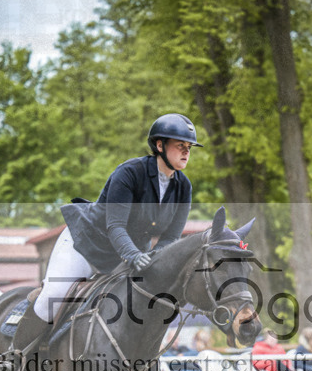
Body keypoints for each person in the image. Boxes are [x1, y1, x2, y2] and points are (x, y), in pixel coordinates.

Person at [15, 113, 201, 351]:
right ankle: (14, 356)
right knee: (54, 296)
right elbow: (115, 225)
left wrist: (155, 261)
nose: (186, 152)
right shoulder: (130, 173)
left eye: (189, 147)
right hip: (87, 245)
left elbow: (171, 237)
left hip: (128, 254)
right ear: (159, 145)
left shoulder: (183, 186)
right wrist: (134, 255)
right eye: (180, 146)